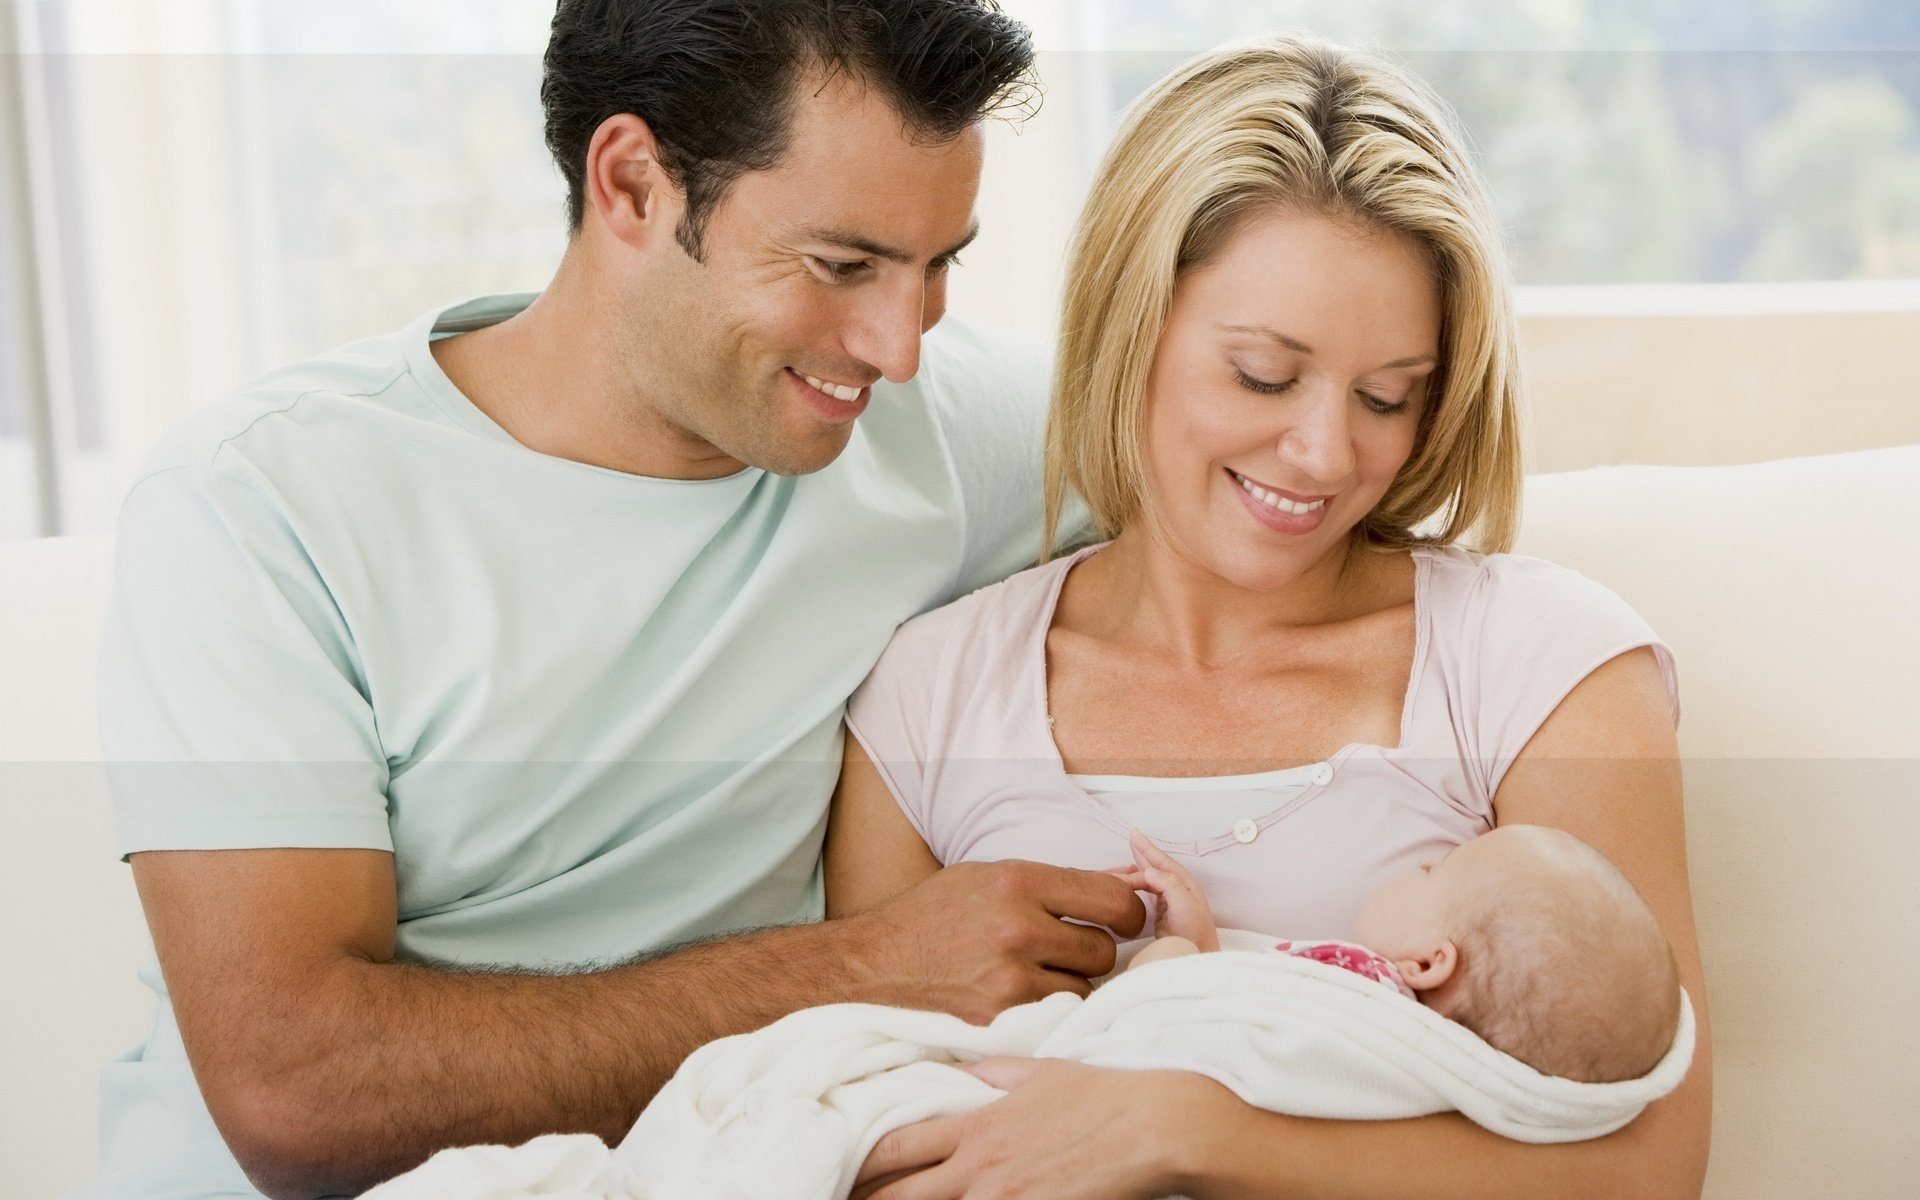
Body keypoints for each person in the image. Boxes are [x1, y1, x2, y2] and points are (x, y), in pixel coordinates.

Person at [82, 4, 1152, 1199]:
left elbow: (1278, 488)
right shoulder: (261, 504)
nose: (898, 346)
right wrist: (861, 971)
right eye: (842, 265)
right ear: (634, 183)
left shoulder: (965, 431)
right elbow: (298, 1092)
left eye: (939, 263)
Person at [827, 32, 1713, 1199]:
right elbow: (850, 1081)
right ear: (1128, 326)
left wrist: (1196, 1134)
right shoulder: (933, 692)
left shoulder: (1542, 666)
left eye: (1388, 395)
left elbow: (1649, 1166)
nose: (1326, 453)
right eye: (1261, 374)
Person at [1120, 826, 1685, 1085]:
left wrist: (1181, 959)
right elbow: (1266, 1017)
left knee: (1158, 965)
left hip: (1157, 1096)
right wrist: (1210, 948)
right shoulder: (1402, 1054)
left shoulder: (1365, 983)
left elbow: (1224, 1039)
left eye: (1431, 871)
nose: (1418, 867)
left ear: (1424, 963)